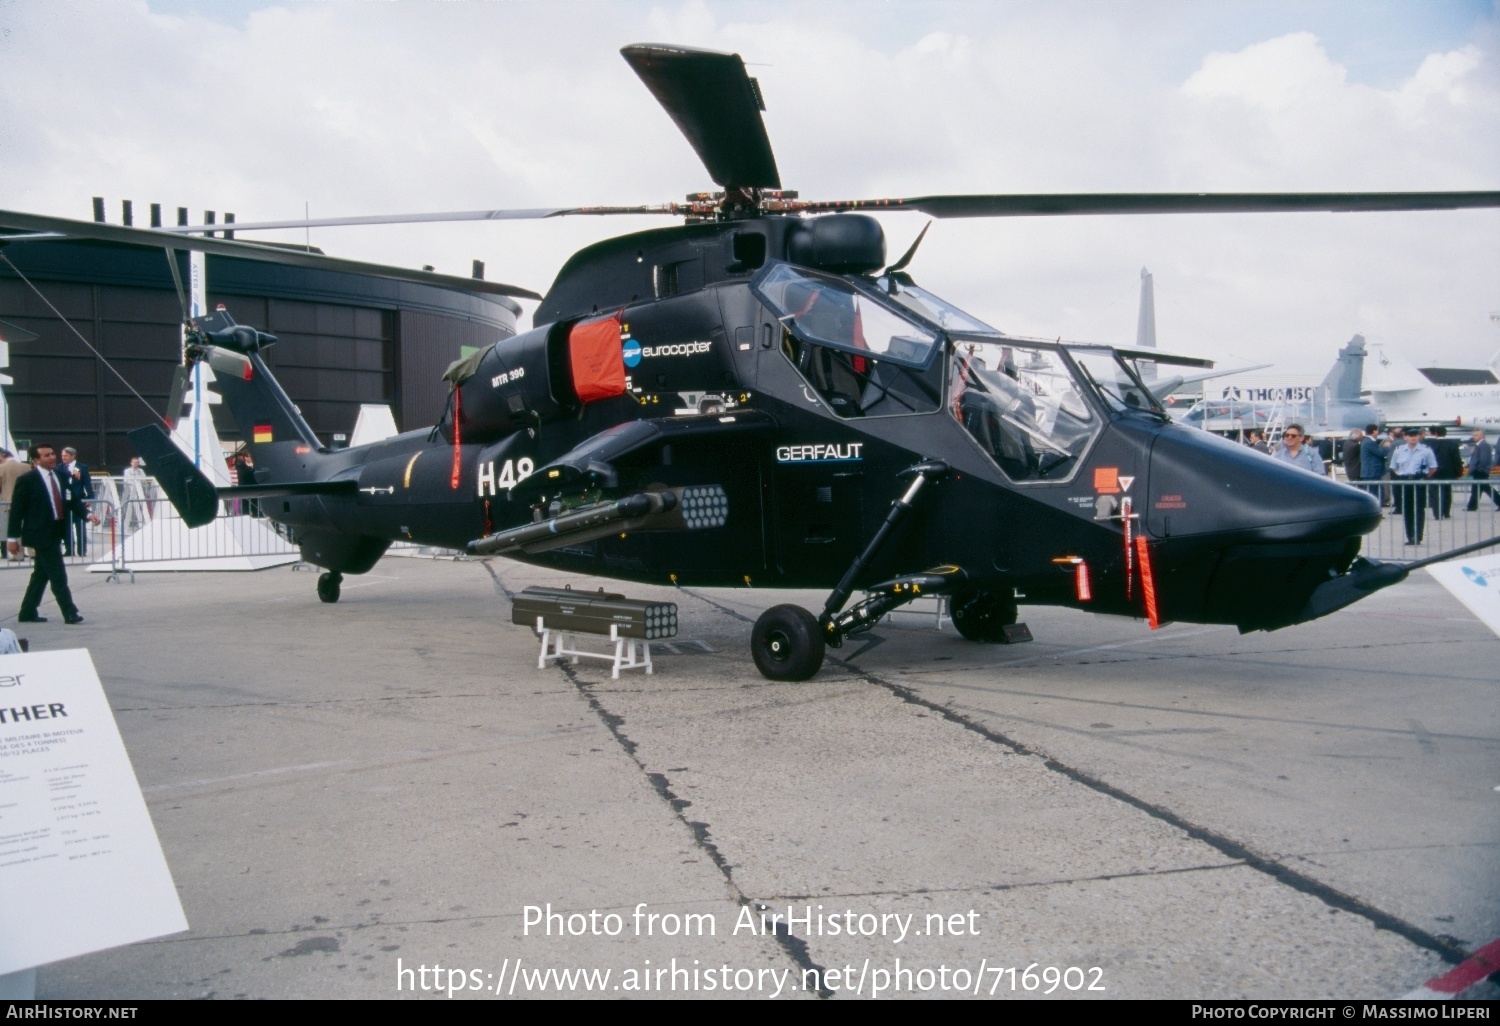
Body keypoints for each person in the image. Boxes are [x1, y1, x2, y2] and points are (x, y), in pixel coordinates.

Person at [6, 444, 99, 624]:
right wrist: (12, 538)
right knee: (58, 575)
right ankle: (69, 612)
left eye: (52, 454)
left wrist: (88, 514)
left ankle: (27, 612)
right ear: (36, 460)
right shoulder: (27, 480)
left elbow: (72, 501)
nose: (52, 457)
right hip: (40, 534)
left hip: (57, 531)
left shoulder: (61, 476)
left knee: (40, 575)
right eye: (46, 455)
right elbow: (17, 511)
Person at [1389, 427, 1438, 545]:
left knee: (1419, 509)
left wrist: (1424, 477)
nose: (1413, 438)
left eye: (1415, 435)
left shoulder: (1426, 450)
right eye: (1410, 436)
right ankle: (1410, 536)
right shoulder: (1399, 451)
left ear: (1419, 436)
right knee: (1407, 509)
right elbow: (1394, 467)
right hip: (1405, 480)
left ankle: (1417, 536)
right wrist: (1402, 476)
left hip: (1419, 480)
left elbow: (1433, 467)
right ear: (1405, 437)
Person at [56, 446, 94, 557]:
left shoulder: (82, 467)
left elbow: (87, 483)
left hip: (78, 499)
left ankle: (82, 550)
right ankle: (69, 549)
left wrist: (90, 497)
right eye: (62, 456)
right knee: (67, 526)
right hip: (65, 501)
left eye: (66, 456)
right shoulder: (59, 467)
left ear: (73, 456)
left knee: (80, 525)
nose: (63, 458)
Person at [1426, 426, 1462, 519]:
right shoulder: (1453, 445)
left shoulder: (1431, 445)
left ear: (1436, 434)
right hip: (1448, 472)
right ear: (1446, 433)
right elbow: (1457, 461)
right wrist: (1458, 473)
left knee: (1434, 494)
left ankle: (1437, 514)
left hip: (1434, 472)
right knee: (1447, 492)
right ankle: (1446, 512)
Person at [1466, 429, 1496, 511]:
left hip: (1481, 471)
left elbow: (1483, 459)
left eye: (1476, 435)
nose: (1474, 437)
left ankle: (1471, 506)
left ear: (1482, 436)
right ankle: (1472, 506)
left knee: (1479, 488)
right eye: (1473, 435)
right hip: (1479, 470)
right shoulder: (1478, 445)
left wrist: (1477, 468)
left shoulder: (1484, 445)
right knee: (1480, 488)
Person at [1358, 424, 1386, 501]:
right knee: (1374, 493)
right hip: (1371, 472)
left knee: (1376, 492)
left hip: (1371, 472)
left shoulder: (1367, 441)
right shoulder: (1369, 442)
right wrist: (1387, 447)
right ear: (1373, 431)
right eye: (1377, 430)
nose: (1378, 432)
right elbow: (1380, 453)